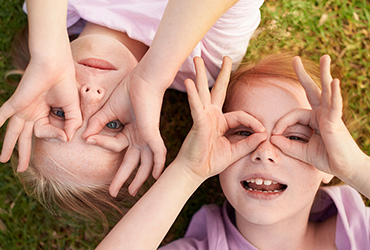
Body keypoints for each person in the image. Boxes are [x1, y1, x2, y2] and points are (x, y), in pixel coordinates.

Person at [1, 0, 264, 228]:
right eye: (111, 123)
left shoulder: (51, 17)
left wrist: (46, 53)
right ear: (141, 123)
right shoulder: (204, 58)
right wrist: (152, 76)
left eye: (60, 112)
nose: (91, 96)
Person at [96, 54, 370, 249]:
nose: (264, 152)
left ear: (328, 165)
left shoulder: (360, 232)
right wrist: (188, 171)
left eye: (295, 137)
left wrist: (353, 167)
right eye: (244, 132)